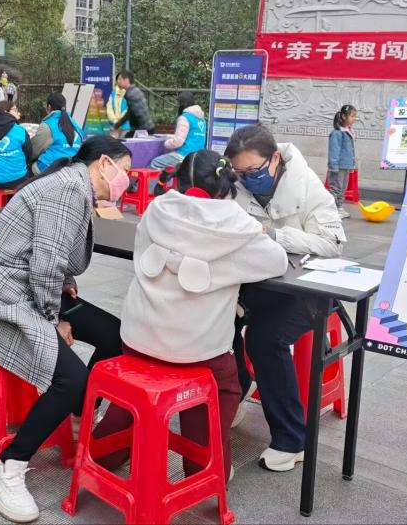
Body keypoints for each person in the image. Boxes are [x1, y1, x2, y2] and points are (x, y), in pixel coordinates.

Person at [0, 136, 132, 523]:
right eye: (125, 170)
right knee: (72, 377)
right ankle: (8, 467)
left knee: (114, 335)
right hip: (5, 295)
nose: (128, 179)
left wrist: (65, 286)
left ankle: (78, 415)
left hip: (31, 286)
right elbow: (45, 265)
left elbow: (50, 254)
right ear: (104, 163)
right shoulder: (68, 189)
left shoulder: (76, 186)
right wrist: (55, 320)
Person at [93, 149, 288, 483]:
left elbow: (141, 254)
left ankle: (105, 452)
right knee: (225, 387)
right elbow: (277, 261)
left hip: (138, 338)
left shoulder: (156, 210)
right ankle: (202, 468)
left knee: (135, 387)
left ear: (179, 181)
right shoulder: (237, 224)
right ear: (227, 185)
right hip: (198, 352)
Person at [225, 123, 346, 472]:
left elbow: (332, 245)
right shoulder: (236, 184)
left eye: (254, 171)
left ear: (275, 159)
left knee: (264, 340)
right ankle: (238, 388)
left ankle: (292, 439)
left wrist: (275, 234)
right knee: (216, 317)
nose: (248, 180)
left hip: (302, 291)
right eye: (240, 173)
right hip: (254, 282)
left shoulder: (307, 187)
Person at [28, 92, 86, 175]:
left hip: (51, 169)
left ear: (49, 107)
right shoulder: (75, 124)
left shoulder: (48, 125)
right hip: (72, 168)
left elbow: (33, 151)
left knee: (30, 167)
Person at [149, 91, 207, 170]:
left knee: (155, 163)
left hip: (184, 155)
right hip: (198, 156)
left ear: (181, 103)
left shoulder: (185, 118)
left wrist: (165, 143)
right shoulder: (202, 119)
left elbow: (177, 142)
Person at [0, 100, 31, 190]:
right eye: (15, 110)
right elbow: (28, 153)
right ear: (6, 112)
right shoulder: (20, 130)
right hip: (19, 178)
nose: (19, 113)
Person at [327, 104, 357, 219]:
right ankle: (332, 209)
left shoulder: (348, 131)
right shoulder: (337, 133)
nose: (354, 119)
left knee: (342, 189)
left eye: (355, 116)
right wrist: (333, 167)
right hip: (338, 167)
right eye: (352, 116)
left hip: (345, 165)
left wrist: (352, 165)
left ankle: (339, 207)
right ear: (344, 117)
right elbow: (334, 151)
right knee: (336, 188)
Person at [112, 69, 154, 137]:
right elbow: (130, 112)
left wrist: (117, 125)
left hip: (143, 130)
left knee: (125, 140)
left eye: (120, 79)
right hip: (148, 127)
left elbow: (134, 113)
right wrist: (117, 125)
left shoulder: (131, 94)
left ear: (126, 80)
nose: (118, 81)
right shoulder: (135, 90)